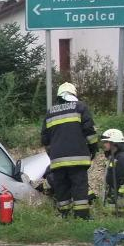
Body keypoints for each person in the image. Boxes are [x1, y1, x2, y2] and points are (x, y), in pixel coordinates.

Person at [41, 82, 98, 219]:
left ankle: (65, 215)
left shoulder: (50, 113)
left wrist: (53, 155)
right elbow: (90, 132)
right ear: (73, 95)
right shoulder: (80, 107)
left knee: (62, 188)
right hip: (78, 159)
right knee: (79, 187)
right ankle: (82, 217)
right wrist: (93, 149)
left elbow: (45, 139)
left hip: (57, 161)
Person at [101, 128, 124, 215]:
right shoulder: (114, 158)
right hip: (114, 203)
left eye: (106, 142)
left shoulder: (122, 158)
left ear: (114, 143)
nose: (103, 144)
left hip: (122, 206)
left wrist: (121, 198)